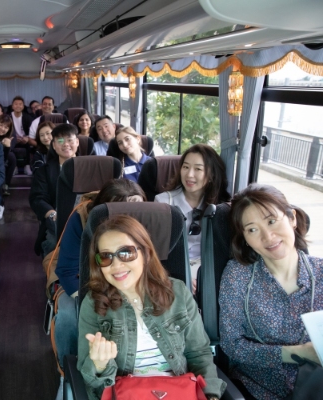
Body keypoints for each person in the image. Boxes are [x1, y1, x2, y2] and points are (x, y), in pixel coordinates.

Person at [78, 214, 225, 400]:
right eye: (106, 257)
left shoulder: (177, 292)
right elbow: (93, 382)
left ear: (145, 253)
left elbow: (199, 354)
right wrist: (99, 365)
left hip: (179, 391)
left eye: (126, 253)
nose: (116, 265)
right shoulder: (93, 304)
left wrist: (210, 395)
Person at [219, 183, 323, 400]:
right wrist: (298, 353)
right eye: (252, 229)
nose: (268, 237)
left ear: (292, 218)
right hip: (258, 389)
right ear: (245, 238)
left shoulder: (320, 272)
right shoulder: (238, 276)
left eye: (271, 221)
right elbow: (231, 344)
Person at [54, 179, 146, 369]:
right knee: (68, 316)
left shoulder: (147, 220)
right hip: (85, 283)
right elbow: (67, 270)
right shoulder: (82, 219)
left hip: (133, 284)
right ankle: (68, 369)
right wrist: (88, 302)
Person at [154, 144, 230, 290]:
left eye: (198, 169)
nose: (189, 175)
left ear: (211, 175)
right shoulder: (163, 202)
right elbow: (156, 251)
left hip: (208, 268)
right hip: (172, 268)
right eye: (186, 167)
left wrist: (201, 276)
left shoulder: (220, 208)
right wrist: (184, 275)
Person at [29, 123, 79, 257]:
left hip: (85, 217)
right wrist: (52, 214)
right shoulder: (44, 171)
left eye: (70, 140)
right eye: (60, 141)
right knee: (54, 244)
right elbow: (37, 198)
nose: (66, 144)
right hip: (57, 220)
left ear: (77, 142)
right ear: (54, 145)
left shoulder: (89, 168)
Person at [0, 114, 17, 197]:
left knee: (11, 157)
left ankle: (6, 184)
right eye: (1, 125)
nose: (2, 129)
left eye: (6, 127)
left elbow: (3, 159)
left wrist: (7, 147)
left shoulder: (8, 138)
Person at [11, 96, 35, 175]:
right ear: (12, 106)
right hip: (12, 139)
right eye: (16, 104)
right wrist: (14, 138)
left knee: (28, 144)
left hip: (25, 139)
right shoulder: (8, 117)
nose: (18, 106)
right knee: (10, 144)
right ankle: (14, 167)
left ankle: (27, 166)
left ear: (23, 106)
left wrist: (27, 138)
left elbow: (31, 131)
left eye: (20, 104)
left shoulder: (27, 117)